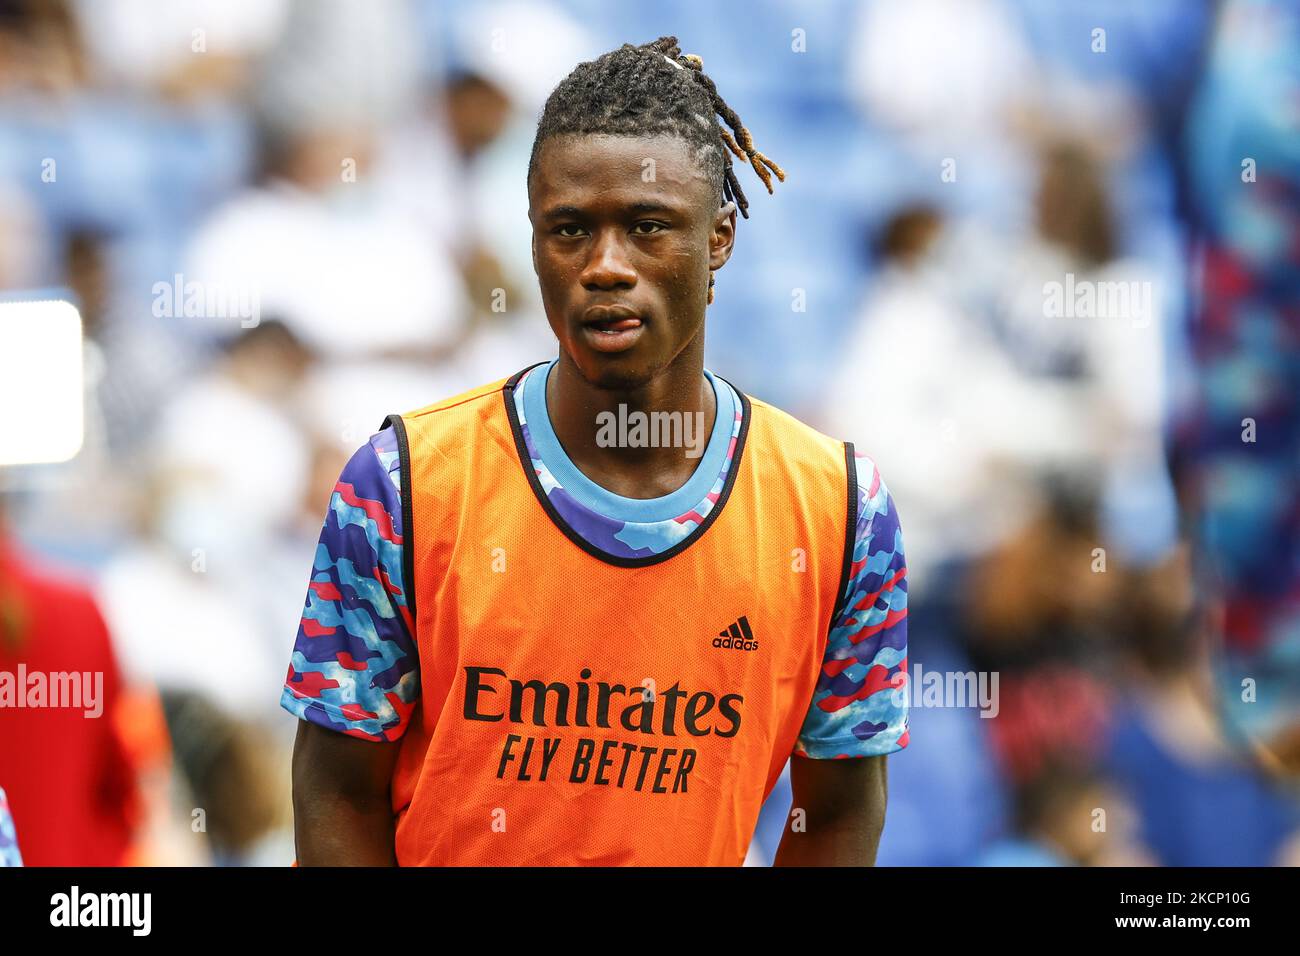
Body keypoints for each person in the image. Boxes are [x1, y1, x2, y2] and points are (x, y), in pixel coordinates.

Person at [282, 37, 909, 867]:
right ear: (534, 241)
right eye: (570, 230)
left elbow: (838, 811)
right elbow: (336, 788)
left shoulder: (837, 513)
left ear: (719, 239)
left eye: (649, 228)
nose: (606, 268)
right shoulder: (404, 484)